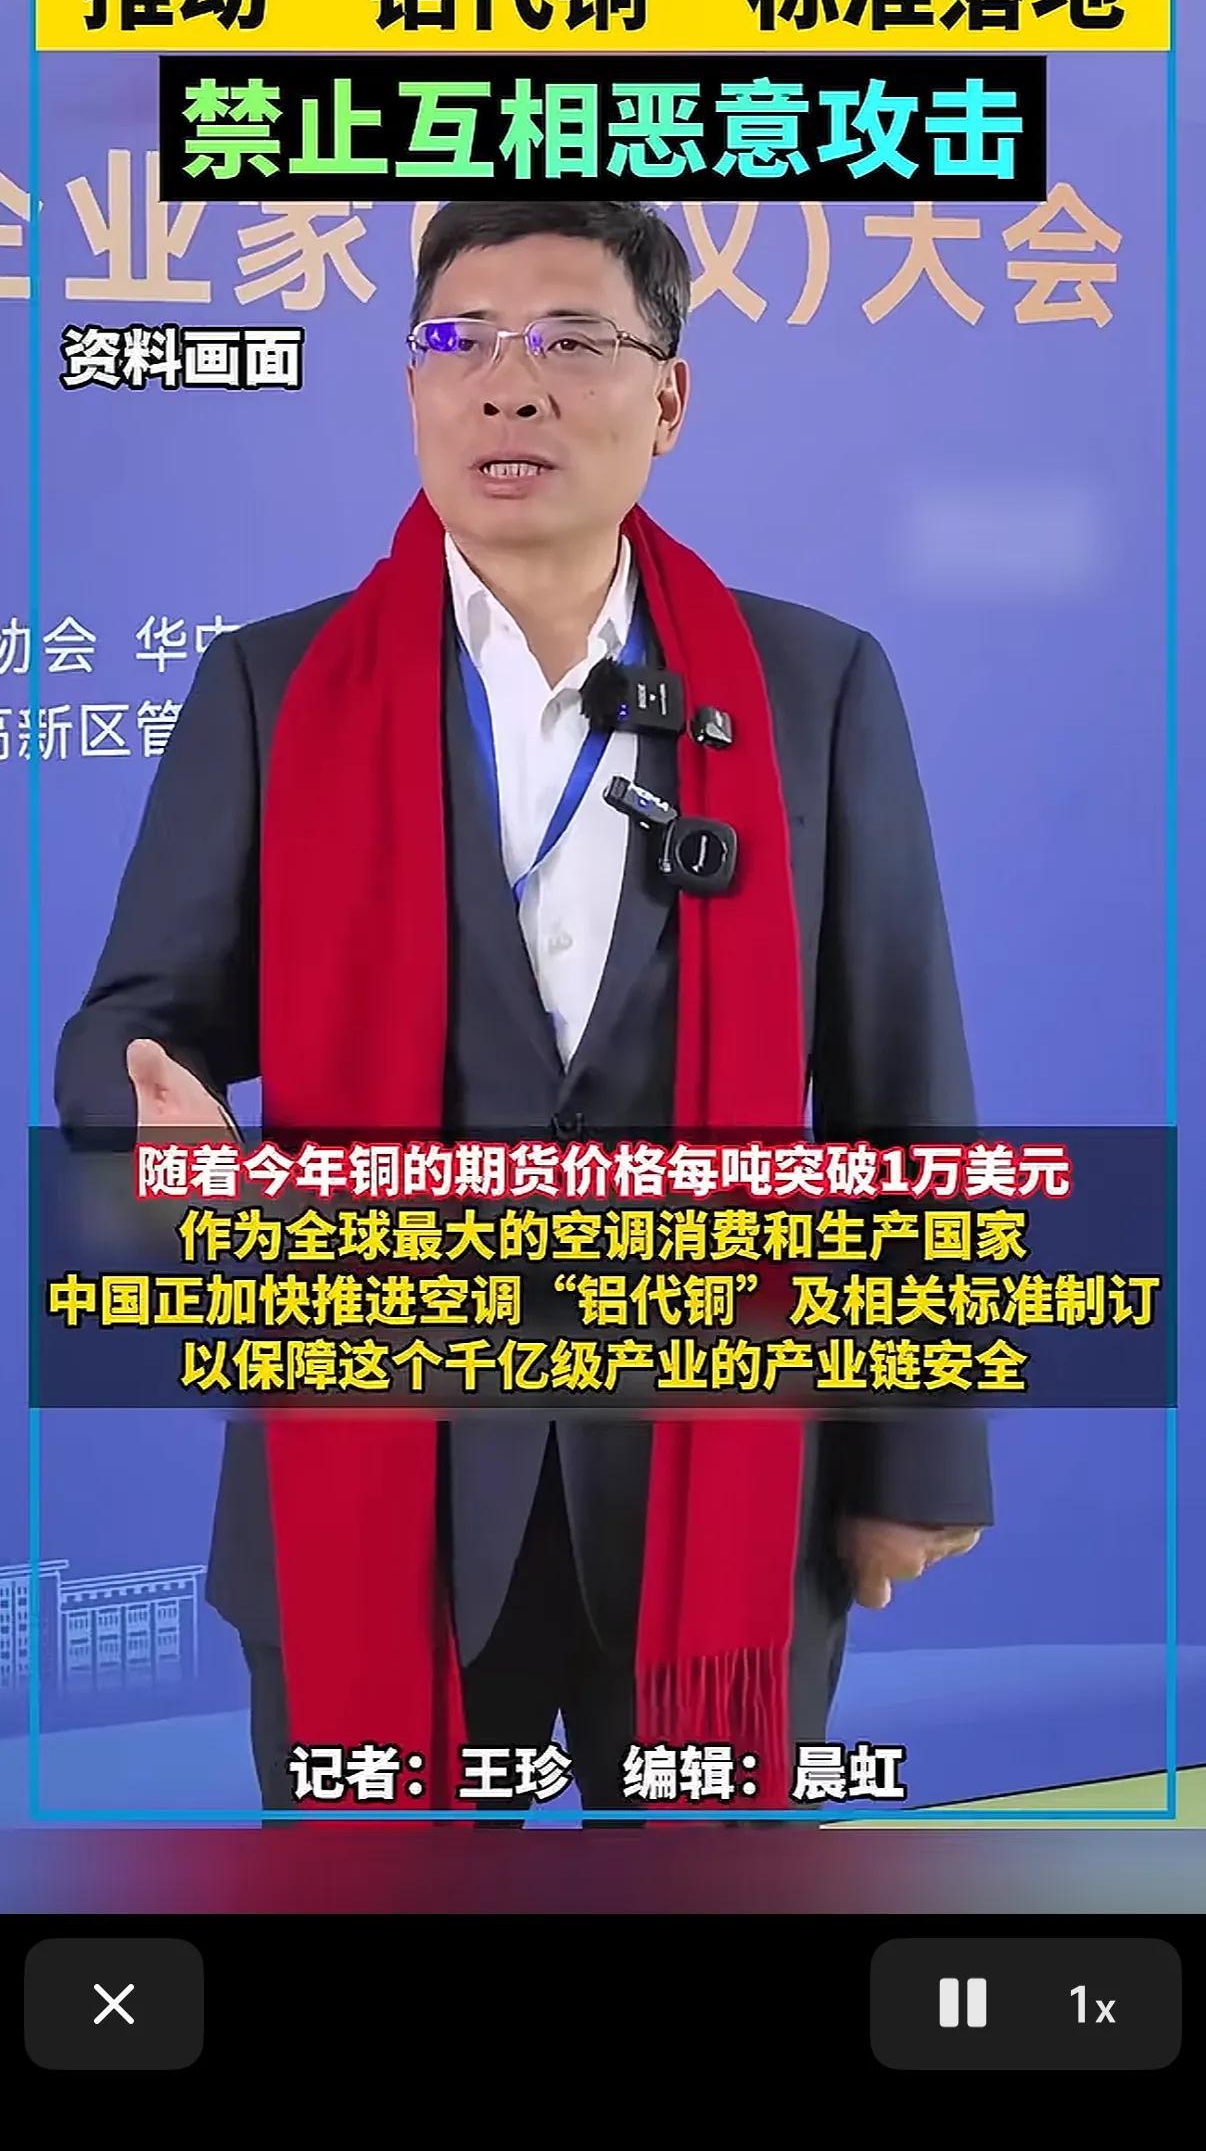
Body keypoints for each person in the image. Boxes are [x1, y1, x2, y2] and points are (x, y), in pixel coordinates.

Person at [56, 199, 990, 1823]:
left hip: (721, 1474)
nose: (510, 382)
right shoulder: (273, 689)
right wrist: (154, 1116)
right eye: (460, 340)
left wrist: (916, 1451)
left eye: (571, 339)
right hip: (374, 1469)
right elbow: (131, 1023)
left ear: (668, 399)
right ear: (411, 389)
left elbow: (900, 1096)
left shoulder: (811, 687)